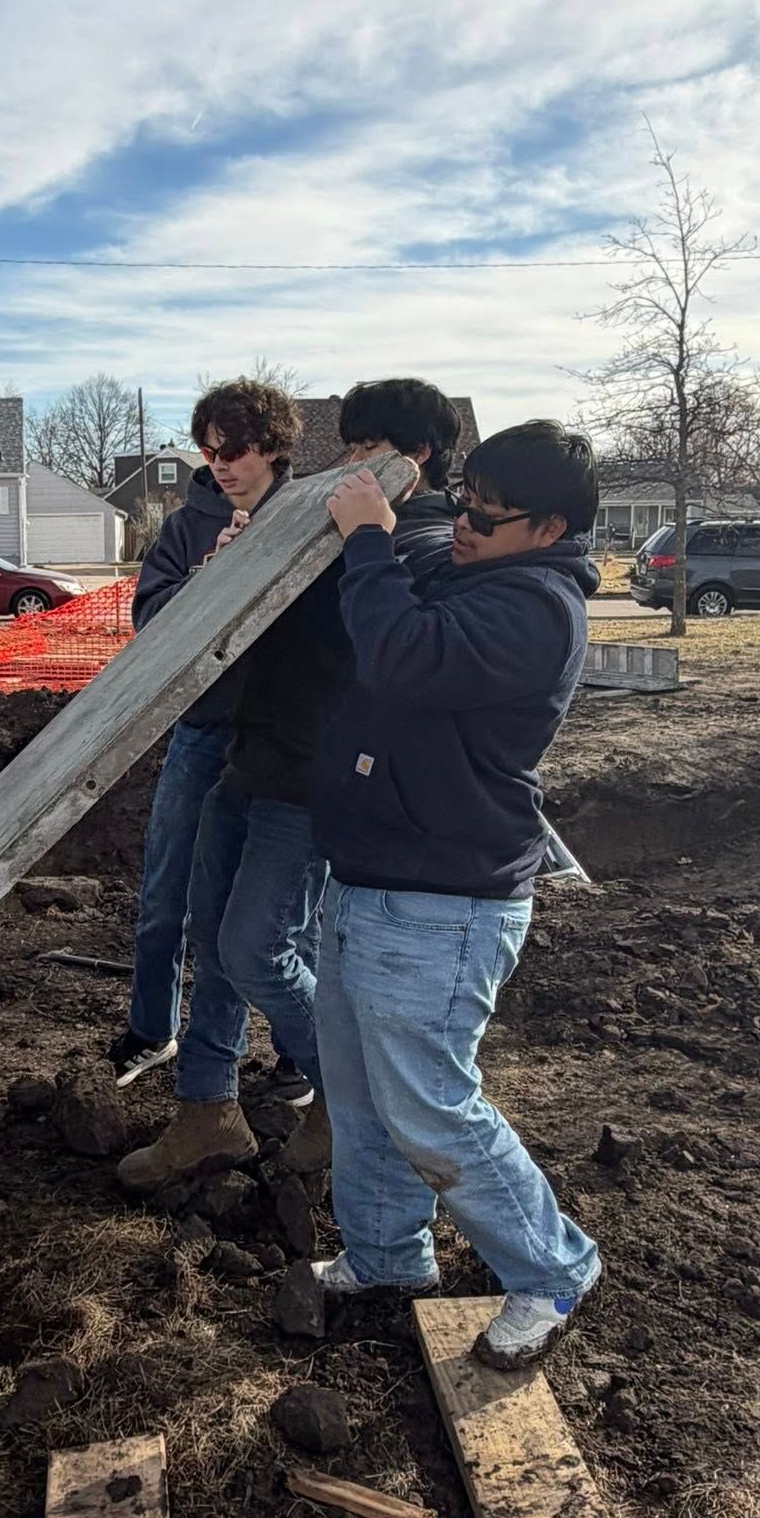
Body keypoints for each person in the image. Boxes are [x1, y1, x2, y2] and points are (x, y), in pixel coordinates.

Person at [117, 379, 462, 1192]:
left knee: (256, 947)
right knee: (212, 933)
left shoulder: (415, 538)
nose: (353, 462)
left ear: (414, 456)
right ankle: (208, 1109)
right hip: (254, 754)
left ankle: (355, 1098)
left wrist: (344, 548)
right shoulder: (323, 517)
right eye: (347, 445)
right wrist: (239, 570)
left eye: (368, 446)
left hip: (314, 776)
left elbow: (389, 647)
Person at [309, 419, 603, 1370]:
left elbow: (403, 653)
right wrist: (396, 507)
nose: (466, 520)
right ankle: (389, 1257)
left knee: (432, 1107)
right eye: (467, 495)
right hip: (369, 883)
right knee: (360, 1100)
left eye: (491, 510)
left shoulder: (534, 610)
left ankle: (554, 1269)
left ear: (549, 527)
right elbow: (429, 541)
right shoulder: (478, 565)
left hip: (443, 904)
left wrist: (366, 539)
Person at [107, 379, 306, 1095]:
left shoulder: (311, 516)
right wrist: (208, 579)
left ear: (275, 448)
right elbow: (150, 616)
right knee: (165, 894)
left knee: (274, 917)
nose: (220, 463)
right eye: (208, 449)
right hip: (203, 732)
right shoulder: (187, 526)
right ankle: (151, 1032)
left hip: (288, 747)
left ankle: (292, 1057)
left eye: (236, 449)